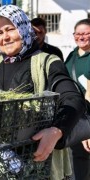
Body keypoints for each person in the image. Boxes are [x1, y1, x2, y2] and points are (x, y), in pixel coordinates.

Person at [0, 5, 86, 180]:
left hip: (36, 165)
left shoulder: (46, 62)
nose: (4, 37)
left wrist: (56, 131)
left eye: (9, 29)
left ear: (24, 28)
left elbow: (72, 98)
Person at [64, 18, 90, 180]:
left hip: (87, 119)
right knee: (78, 163)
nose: (81, 37)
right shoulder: (71, 56)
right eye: (78, 34)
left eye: (86, 33)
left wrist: (88, 130)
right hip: (76, 118)